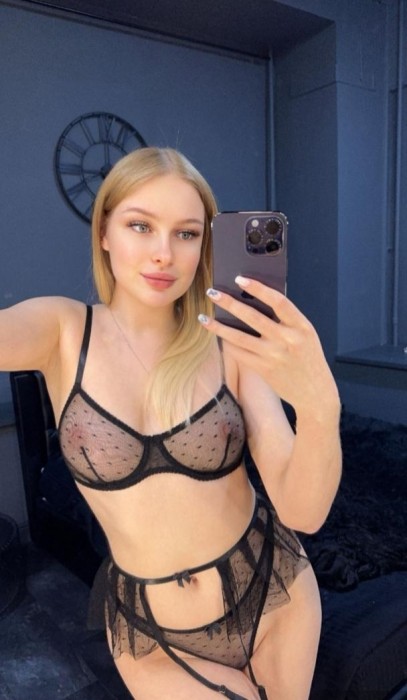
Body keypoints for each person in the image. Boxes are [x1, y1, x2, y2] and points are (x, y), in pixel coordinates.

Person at [0, 147, 342, 700]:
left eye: (186, 234)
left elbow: (303, 512)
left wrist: (321, 409)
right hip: (156, 633)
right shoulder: (61, 330)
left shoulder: (228, 342)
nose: (164, 253)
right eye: (140, 225)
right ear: (104, 231)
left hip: (273, 591)